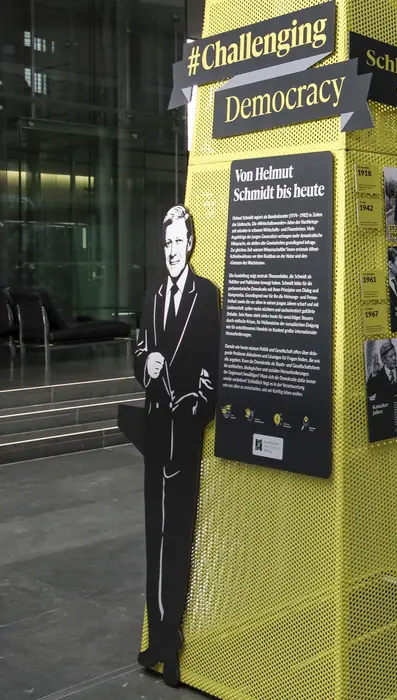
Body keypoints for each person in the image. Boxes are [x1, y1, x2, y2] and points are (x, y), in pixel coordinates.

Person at [132, 205, 221, 686]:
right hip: (153, 432)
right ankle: (158, 642)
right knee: (154, 537)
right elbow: (140, 346)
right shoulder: (151, 297)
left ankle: (173, 644)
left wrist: (198, 407)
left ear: (190, 245)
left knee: (178, 539)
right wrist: (143, 363)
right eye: (165, 243)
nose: (171, 251)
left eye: (178, 242)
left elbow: (214, 359)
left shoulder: (206, 296)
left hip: (184, 431)